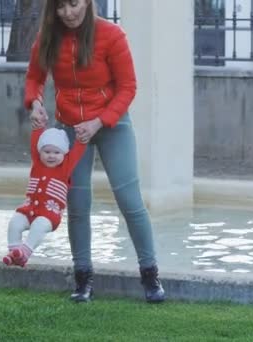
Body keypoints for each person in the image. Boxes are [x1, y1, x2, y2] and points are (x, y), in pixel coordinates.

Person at [23, 0, 165, 303]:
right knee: (77, 204)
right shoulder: (48, 36)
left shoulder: (111, 35)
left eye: (74, 4)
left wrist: (99, 122)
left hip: (112, 126)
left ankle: (150, 274)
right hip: (70, 130)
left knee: (130, 200)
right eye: (60, 7)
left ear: (87, 2)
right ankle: (83, 278)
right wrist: (35, 102)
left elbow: (128, 87)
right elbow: (35, 77)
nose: (68, 13)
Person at [3, 126, 86, 267]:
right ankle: (14, 252)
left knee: (38, 225)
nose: (51, 156)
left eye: (56, 152)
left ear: (64, 153)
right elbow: (35, 142)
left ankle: (25, 253)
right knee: (14, 223)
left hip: (49, 215)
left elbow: (77, 152)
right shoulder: (37, 164)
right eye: (47, 152)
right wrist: (38, 127)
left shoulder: (65, 167)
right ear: (40, 152)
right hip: (28, 210)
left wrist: (81, 140)